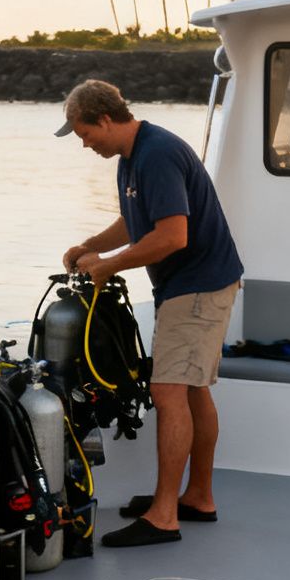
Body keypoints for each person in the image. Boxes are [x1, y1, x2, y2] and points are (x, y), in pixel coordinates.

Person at [57, 79, 243, 548]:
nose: (84, 144)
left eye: (85, 133)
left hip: (197, 285)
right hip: (192, 285)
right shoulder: (132, 157)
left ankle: (164, 516)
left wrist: (110, 265)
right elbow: (134, 219)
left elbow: (173, 236)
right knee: (193, 390)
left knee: (168, 392)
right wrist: (90, 247)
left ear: (104, 119)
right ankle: (197, 497)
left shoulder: (157, 153)